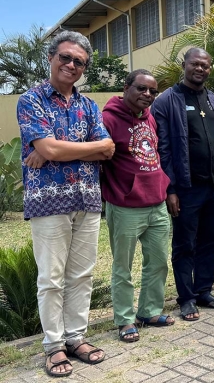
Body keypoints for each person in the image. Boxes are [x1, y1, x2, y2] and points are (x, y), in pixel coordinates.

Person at [17, 31, 115, 377]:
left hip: (87, 198)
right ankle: (54, 346)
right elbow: (56, 149)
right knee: (52, 278)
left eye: (79, 62)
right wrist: (56, 149)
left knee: (81, 274)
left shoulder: (88, 105)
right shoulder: (31, 100)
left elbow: (108, 147)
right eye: (66, 58)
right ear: (51, 58)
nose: (71, 65)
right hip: (48, 202)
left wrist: (53, 149)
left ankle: (76, 337)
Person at [151, 48, 214, 322]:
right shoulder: (167, 101)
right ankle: (186, 298)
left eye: (205, 65)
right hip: (187, 189)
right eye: (195, 64)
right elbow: (162, 149)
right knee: (184, 244)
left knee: (210, 241)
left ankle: (203, 291)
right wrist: (171, 189)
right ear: (184, 65)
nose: (200, 69)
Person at [101, 69, 174, 343]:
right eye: (142, 89)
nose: (147, 95)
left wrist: (164, 188)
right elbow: (99, 158)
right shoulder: (108, 119)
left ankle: (149, 312)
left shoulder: (149, 118)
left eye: (152, 91)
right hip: (125, 206)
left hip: (156, 203)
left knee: (158, 262)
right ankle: (124, 319)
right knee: (123, 266)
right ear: (126, 87)